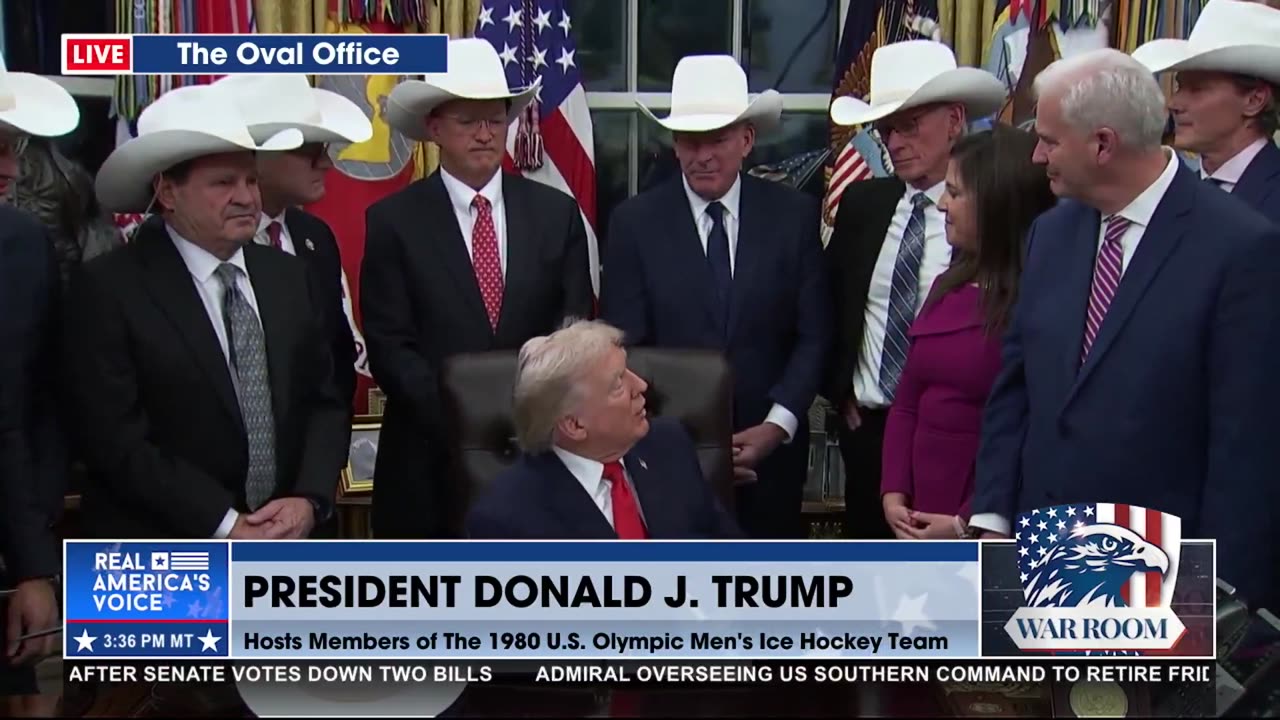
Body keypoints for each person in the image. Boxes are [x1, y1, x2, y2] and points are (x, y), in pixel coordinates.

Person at [970, 49, 1280, 607]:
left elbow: (1247, 447)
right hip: (1040, 552)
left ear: (1103, 144)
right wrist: (992, 514)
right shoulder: (1050, 234)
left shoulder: (1239, 248)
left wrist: (1213, 598)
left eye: (1049, 140)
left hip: (1159, 573)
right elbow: (1016, 388)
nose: (1037, 156)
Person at [62, 85, 351, 540]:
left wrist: (309, 500)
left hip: (289, 544)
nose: (246, 197)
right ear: (168, 192)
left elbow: (325, 401)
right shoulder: (108, 288)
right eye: (223, 183)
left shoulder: (290, 277)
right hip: (162, 554)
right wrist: (226, 523)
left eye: (251, 180)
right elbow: (115, 440)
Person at [365, 38, 593, 538]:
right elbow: (390, 345)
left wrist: (528, 417)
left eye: (494, 119)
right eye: (468, 121)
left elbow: (574, 331)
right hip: (427, 461)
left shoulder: (555, 215)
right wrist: (468, 418)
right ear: (435, 128)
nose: (485, 134)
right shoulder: (393, 222)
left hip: (538, 456)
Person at [600, 55, 829, 539]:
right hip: (666, 460)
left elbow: (814, 334)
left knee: (769, 601)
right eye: (689, 141)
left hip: (773, 458)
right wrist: (698, 451)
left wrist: (776, 426)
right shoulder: (633, 224)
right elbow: (627, 349)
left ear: (747, 140)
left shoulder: (793, 217)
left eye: (717, 140)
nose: (702, 155)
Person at [823, 40, 1005, 539]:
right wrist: (839, 389)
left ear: (954, 121)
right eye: (885, 129)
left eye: (908, 125)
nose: (894, 142)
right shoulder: (862, 204)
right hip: (870, 431)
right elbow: (831, 301)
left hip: (964, 440)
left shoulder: (993, 219)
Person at [880, 126, 1054, 540]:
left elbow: (1030, 427)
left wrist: (966, 520)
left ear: (997, 203)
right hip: (917, 511)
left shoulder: (1036, 302)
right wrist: (893, 491)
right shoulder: (947, 285)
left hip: (985, 519)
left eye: (955, 193)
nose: (941, 204)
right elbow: (907, 401)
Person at [467, 320, 741, 540]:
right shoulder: (505, 520)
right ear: (574, 425)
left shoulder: (668, 445)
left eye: (628, 370)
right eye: (618, 384)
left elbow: (731, 555)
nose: (641, 386)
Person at [213, 73, 373, 409]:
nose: (327, 163)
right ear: (256, 156)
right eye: (311, 151)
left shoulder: (315, 237)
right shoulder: (209, 242)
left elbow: (337, 358)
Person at [0, 54, 78, 671]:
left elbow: (39, 405)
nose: (11, 169)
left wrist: (35, 563)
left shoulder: (24, 245)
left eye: (15, 147)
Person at [1133, 0, 1280, 223]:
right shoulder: (1168, 195)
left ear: (1254, 100)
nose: (1174, 103)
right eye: (1179, 87)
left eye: (1197, 90)